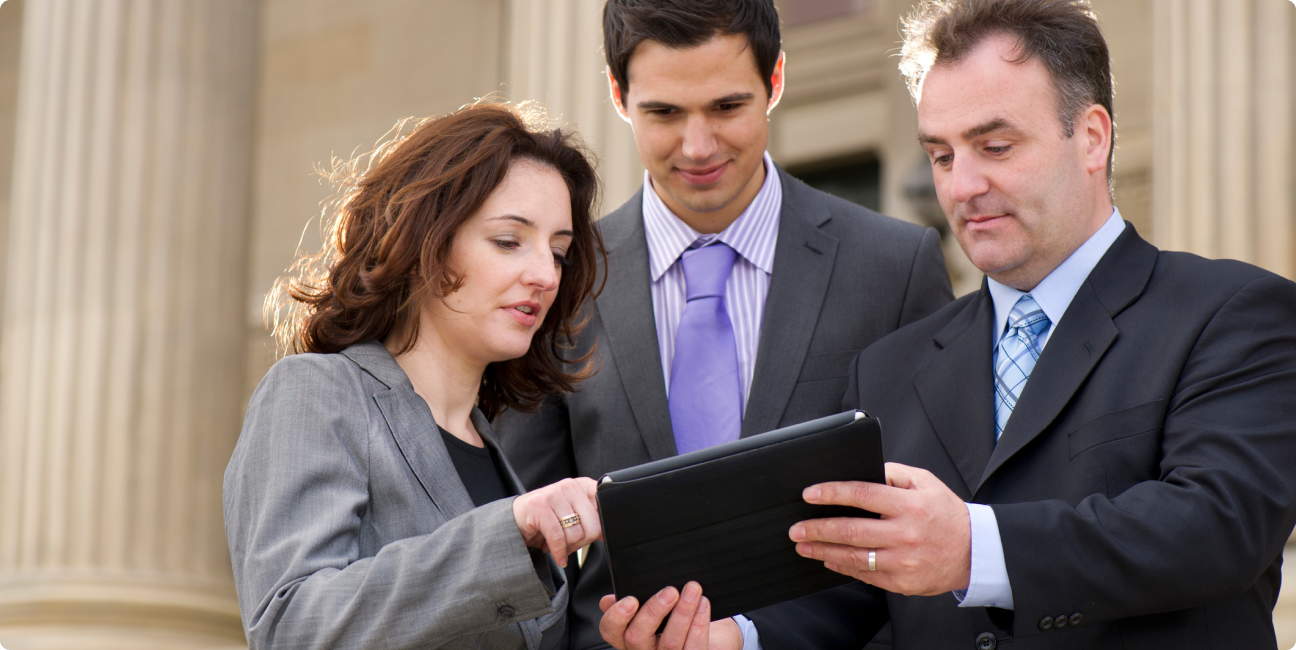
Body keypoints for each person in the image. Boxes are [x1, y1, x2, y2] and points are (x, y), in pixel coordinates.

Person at [745, 1, 1296, 648]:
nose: (963, 185)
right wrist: (736, 639)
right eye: (942, 156)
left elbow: (1214, 527)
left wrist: (974, 551)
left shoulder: (1235, 315)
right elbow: (850, 595)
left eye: (995, 146)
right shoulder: (886, 370)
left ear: (1092, 136)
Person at [493, 1, 955, 649]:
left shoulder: (894, 268)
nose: (698, 146)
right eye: (664, 113)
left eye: (726, 107)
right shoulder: (557, 283)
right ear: (618, 95)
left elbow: (926, 538)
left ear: (776, 82)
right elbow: (523, 551)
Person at [223, 102, 615, 649]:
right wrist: (505, 535)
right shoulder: (317, 393)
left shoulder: (499, 453)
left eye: (559, 253)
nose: (544, 275)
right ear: (424, 241)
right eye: (508, 241)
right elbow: (293, 626)